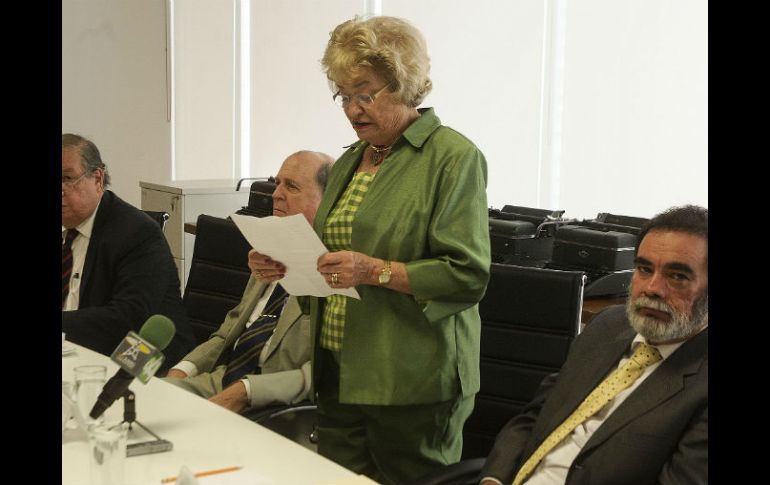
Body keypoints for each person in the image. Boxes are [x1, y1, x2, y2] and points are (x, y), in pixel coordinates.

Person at [250, 16, 491, 484]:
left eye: (366, 94)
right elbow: (328, 261)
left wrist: (373, 270)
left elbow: (467, 275)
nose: (352, 109)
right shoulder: (346, 162)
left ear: (404, 85)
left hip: (411, 379)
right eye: (344, 95)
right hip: (338, 370)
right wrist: (284, 264)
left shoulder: (452, 158)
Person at [480, 204, 708, 485]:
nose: (652, 288)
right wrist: (494, 479)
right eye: (644, 269)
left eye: (677, 276)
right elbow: (536, 415)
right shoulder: (607, 326)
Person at [164, 151, 334, 414]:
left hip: (274, 402)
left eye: (291, 186)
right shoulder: (268, 255)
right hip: (221, 380)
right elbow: (227, 331)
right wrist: (182, 370)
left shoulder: (338, 271)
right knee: (145, 400)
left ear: (328, 199)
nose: (276, 194)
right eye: (277, 183)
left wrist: (247, 391)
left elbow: (328, 370)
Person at [61, 133, 196, 372]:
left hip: (146, 349)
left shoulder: (137, 233)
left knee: (90, 388)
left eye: (67, 178)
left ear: (98, 178)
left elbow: (128, 317)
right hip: (76, 345)